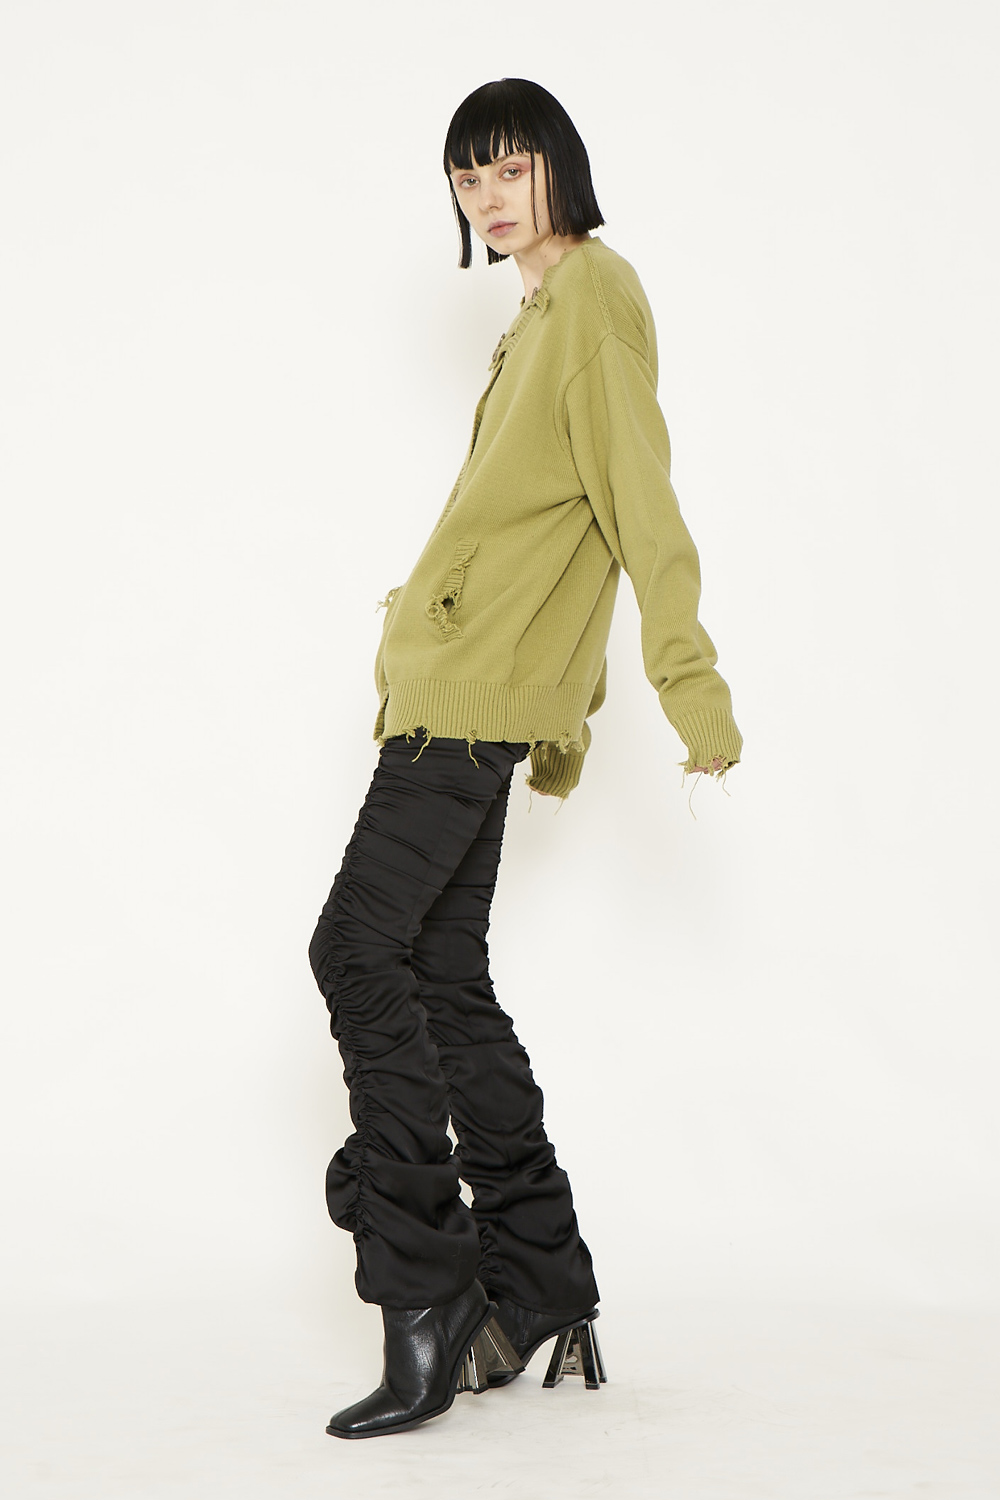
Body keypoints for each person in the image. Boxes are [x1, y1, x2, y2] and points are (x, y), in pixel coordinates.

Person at [308, 76, 743, 1440]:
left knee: (355, 953)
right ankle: (541, 1282)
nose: (489, 198)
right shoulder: (542, 315)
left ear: (562, 165)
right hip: (462, 686)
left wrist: (691, 687)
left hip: (474, 698)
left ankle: (426, 1295)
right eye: (467, 177)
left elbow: (641, 510)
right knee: (439, 975)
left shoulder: (595, 300)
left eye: (510, 168)